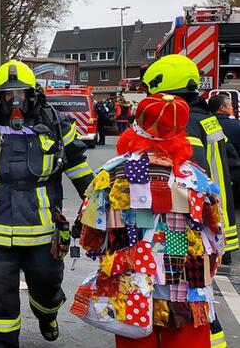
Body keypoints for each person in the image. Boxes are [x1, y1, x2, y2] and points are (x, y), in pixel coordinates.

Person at [0, 60, 93, 347]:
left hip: (43, 226)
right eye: (8, 94)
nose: (15, 100)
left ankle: (47, 315)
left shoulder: (53, 120)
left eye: (20, 93)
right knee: (1, 291)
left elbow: (77, 163)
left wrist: (93, 200)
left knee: (46, 285)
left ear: (32, 93)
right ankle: (1, 343)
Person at [72, 93, 225, 347]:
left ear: (138, 125)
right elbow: (215, 234)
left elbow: (91, 237)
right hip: (188, 287)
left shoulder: (111, 174)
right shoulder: (198, 179)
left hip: (131, 284)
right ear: (180, 132)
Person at [142, 54, 238, 348]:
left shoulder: (181, 125)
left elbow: (176, 183)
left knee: (182, 292)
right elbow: (231, 166)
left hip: (183, 228)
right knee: (199, 291)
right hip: (213, 226)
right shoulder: (209, 122)